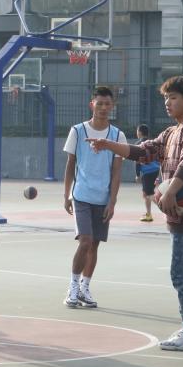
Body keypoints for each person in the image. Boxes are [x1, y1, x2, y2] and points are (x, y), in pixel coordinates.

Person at [89, 75, 183, 352]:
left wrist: (171, 191)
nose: (167, 103)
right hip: (182, 212)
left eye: (172, 97)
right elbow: (144, 151)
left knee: (182, 270)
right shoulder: (172, 131)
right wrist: (109, 145)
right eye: (165, 98)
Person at [62, 86, 125, 309]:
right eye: (100, 103)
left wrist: (112, 201)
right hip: (81, 195)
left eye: (107, 104)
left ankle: (85, 288)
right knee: (85, 241)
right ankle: (72, 287)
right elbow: (70, 164)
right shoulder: (78, 131)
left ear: (112, 106)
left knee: (94, 245)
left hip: (103, 198)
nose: (103, 108)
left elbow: (116, 172)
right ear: (92, 105)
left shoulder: (117, 135)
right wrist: (67, 194)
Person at [134, 124, 160, 222]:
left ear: (140, 132)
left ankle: (167, 208)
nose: (137, 132)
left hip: (148, 173)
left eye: (137, 131)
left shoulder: (139, 144)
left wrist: (137, 175)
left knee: (149, 194)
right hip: (155, 170)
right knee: (146, 194)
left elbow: (137, 161)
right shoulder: (151, 143)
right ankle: (148, 214)